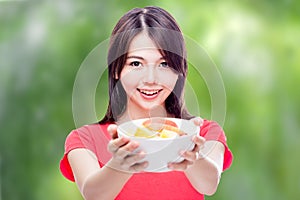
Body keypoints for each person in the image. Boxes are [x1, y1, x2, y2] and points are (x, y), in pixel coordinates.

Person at [60, 6, 233, 200]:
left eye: (164, 64)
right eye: (136, 64)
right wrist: (120, 165)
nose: (151, 79)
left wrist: (194, 158)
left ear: (179, 71)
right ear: (117, 70)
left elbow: (209, 184)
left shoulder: (202, 133)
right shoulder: (85, 139)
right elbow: (93, 195)